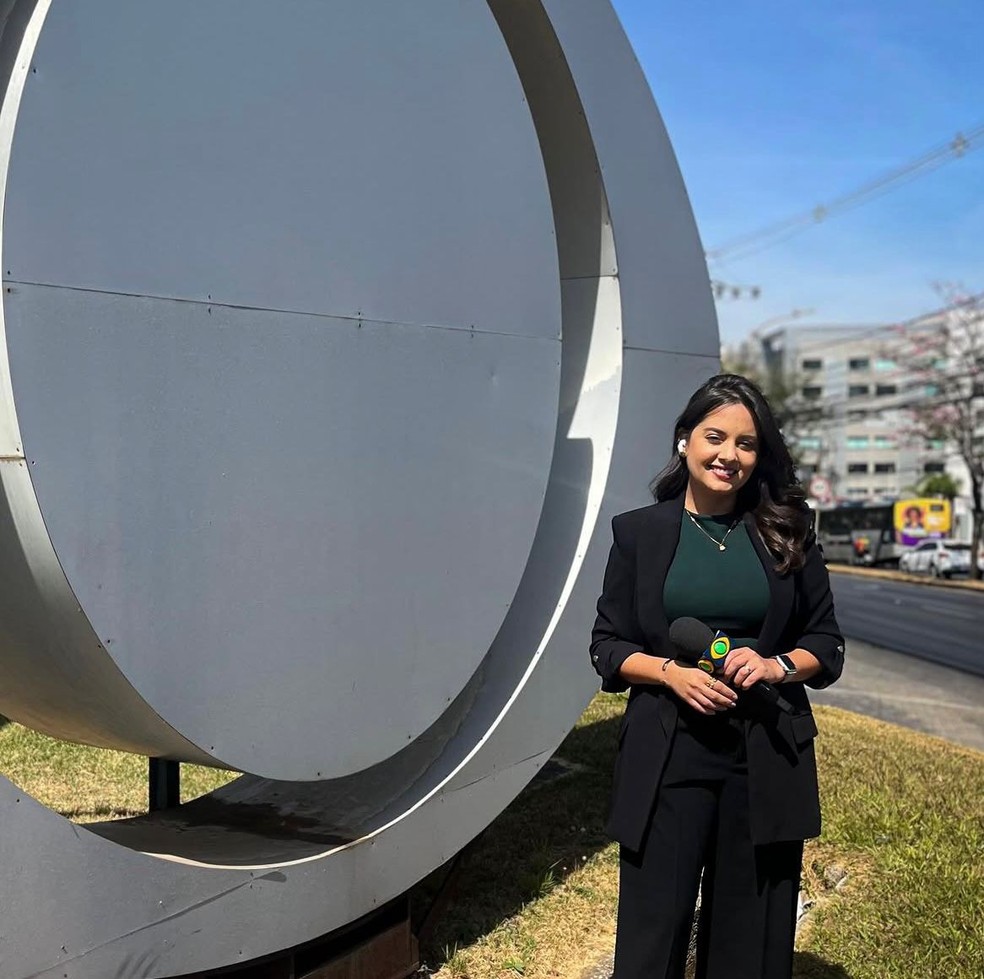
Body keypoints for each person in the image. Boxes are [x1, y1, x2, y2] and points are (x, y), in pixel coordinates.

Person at [590, 373, 844, 979]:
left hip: (767, 747)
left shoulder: (789, 529)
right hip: (669, 751)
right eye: (715, 436)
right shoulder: (639, 533)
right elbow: (608, 646)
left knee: (750, 940)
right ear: (685, 441)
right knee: (654, 932)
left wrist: (775, 665)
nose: (729, 455)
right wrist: (671, 675)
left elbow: (825, 644)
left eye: (747, 444)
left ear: (760, 457)